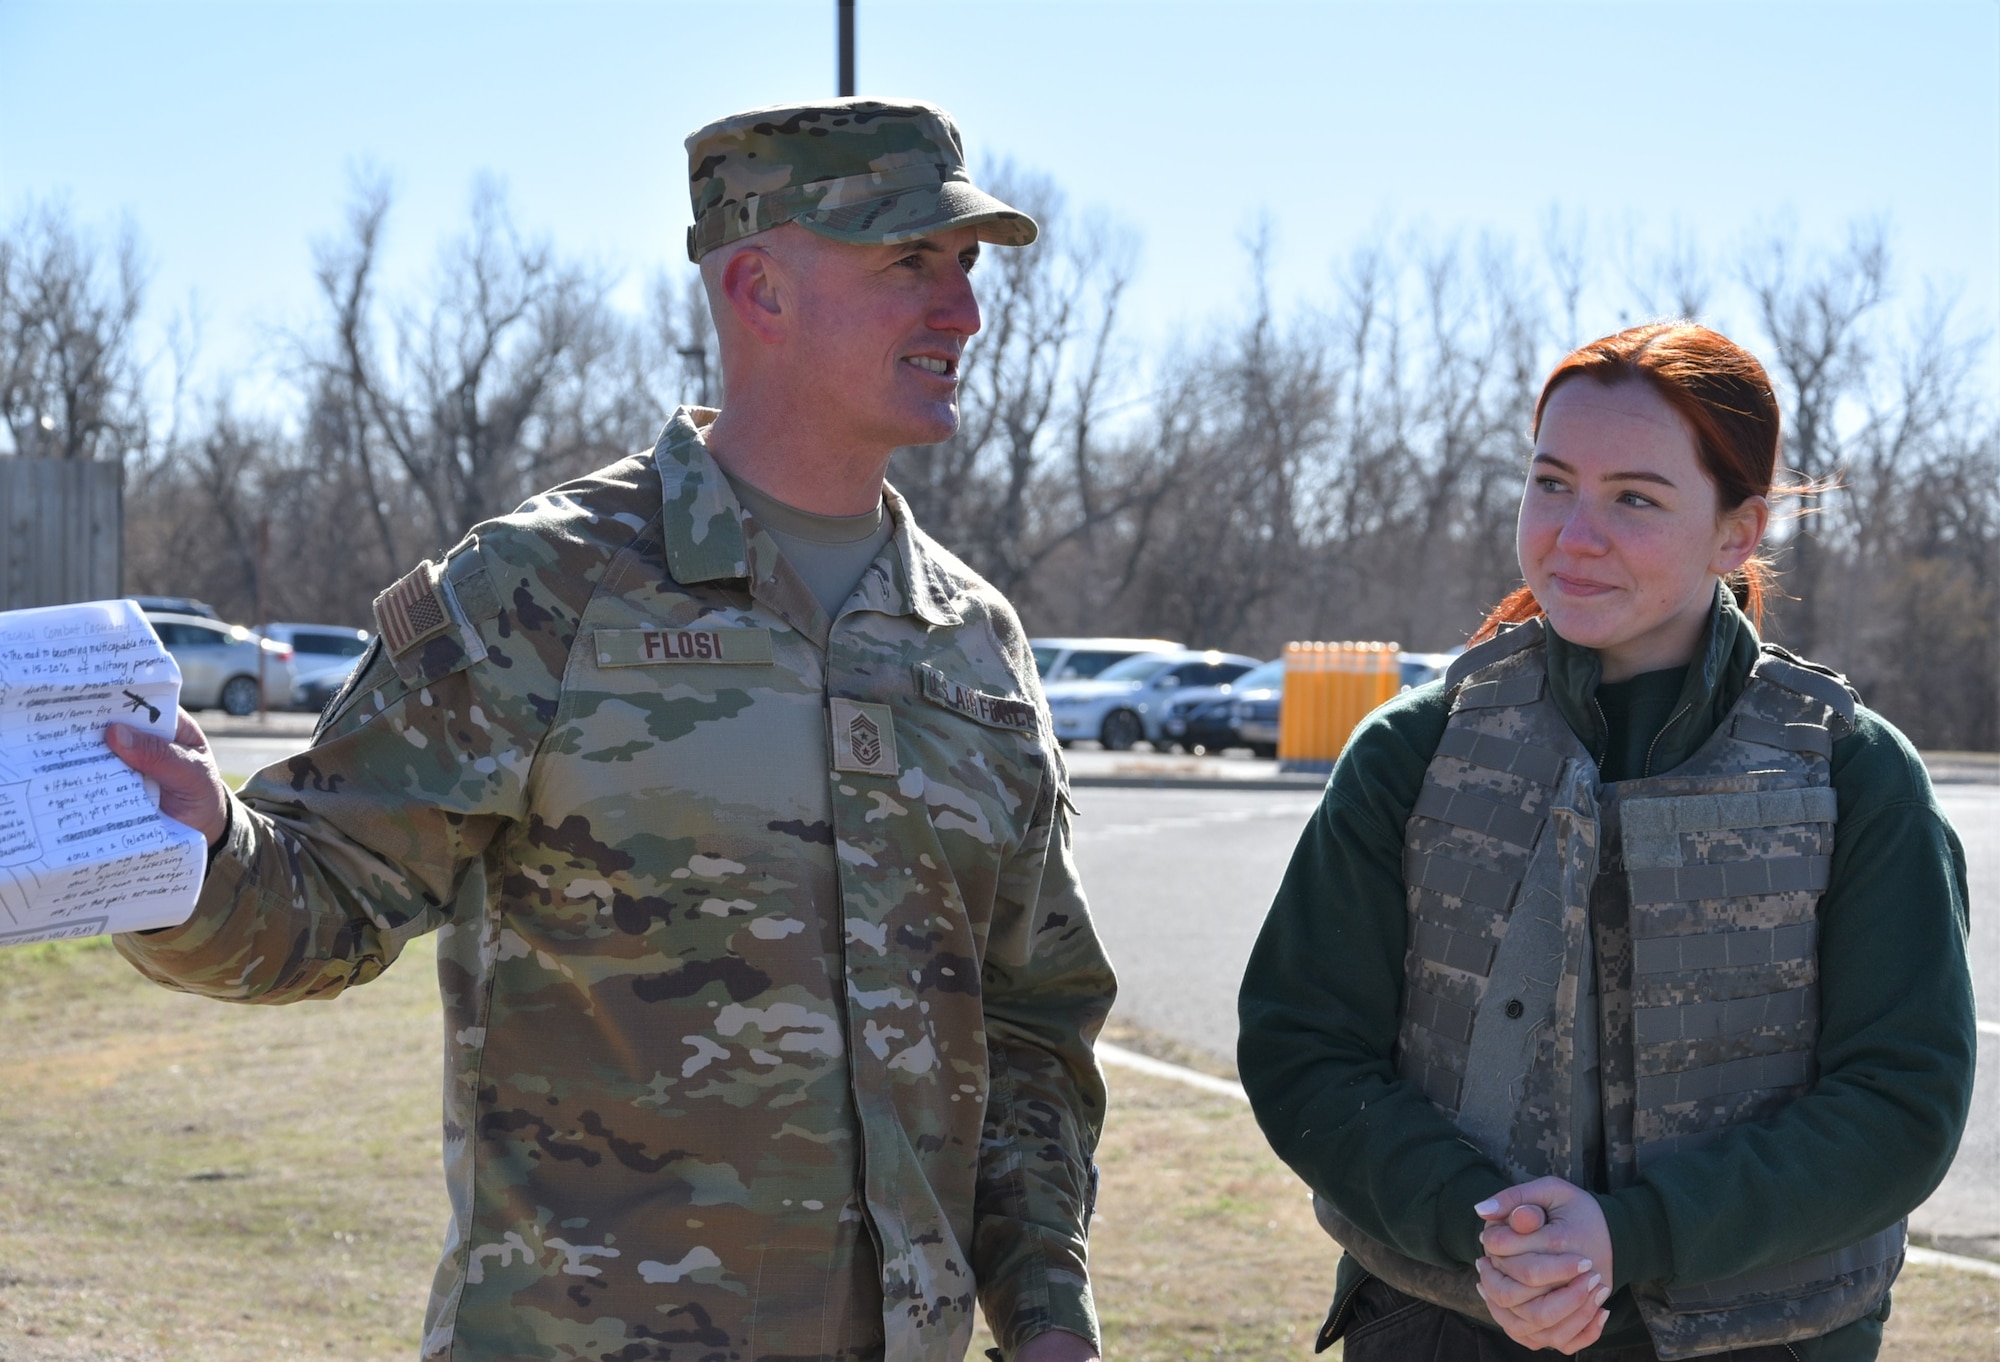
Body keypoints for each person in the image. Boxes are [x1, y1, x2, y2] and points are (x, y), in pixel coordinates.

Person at [106, 98, 1114, 1362]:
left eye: (964, 268)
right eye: (909, 262)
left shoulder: (974, 641)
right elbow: (311, 906)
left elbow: (1028, 1024)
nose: (960, 310)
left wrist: (1046, 1316)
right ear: (758, 286)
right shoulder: (545, 589)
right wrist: (184, 852)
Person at [1236, 321, 1975, 1361]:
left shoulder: (1849, 771)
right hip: (1446, 1326)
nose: (1572, 534)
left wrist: (1626, 1240)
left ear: (1735, 532)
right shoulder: (1412, 752)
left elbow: (1898, 1101)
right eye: (1549, 484)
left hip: (1760, 1339)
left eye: (1633, 497)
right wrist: (1492, 1235)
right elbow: (1303, 1046)